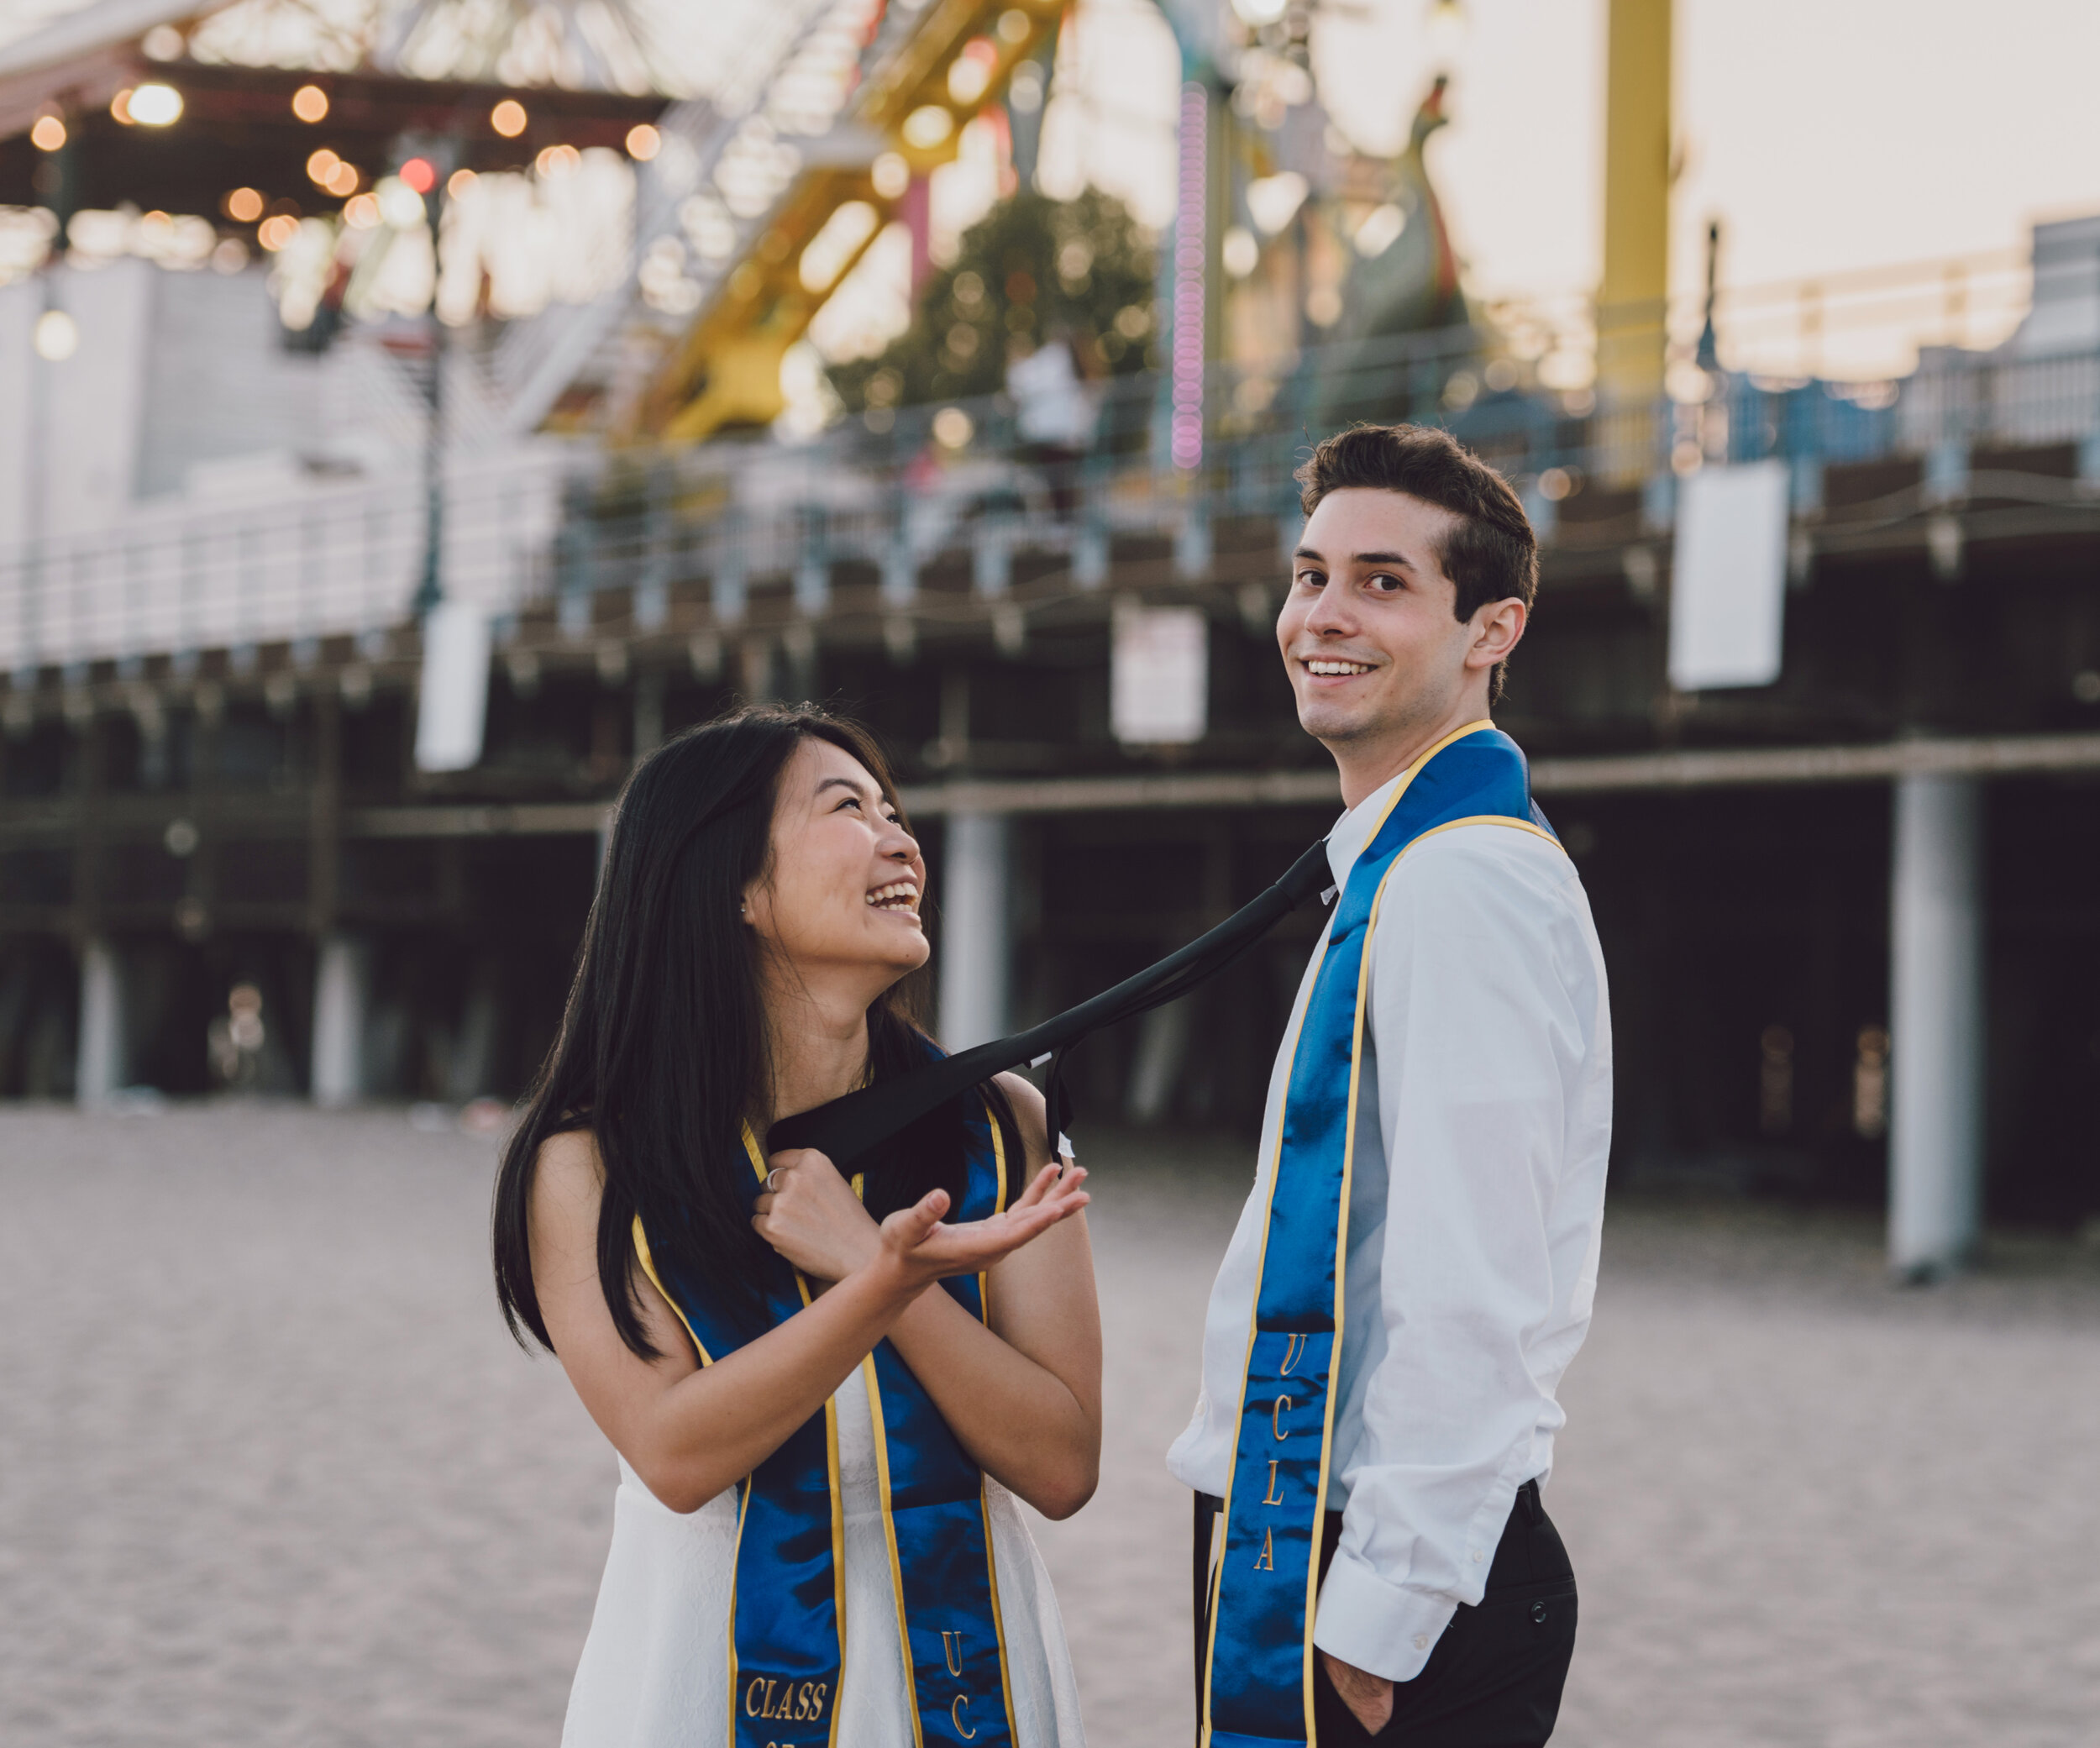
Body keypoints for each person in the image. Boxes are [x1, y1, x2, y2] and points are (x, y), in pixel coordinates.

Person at [493, 706, 1100, 1748]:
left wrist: (873, 1262)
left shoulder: (1003, 1123)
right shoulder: (593, 1161)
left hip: (969, 1665)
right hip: (702, 1660)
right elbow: (675, 1453)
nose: (900, 838)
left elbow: (1063, 1463)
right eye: (847, 809)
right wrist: (879, 1289)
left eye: (895, 812)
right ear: (733, 882)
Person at [1169, 424, 1612, 1746]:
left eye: (1381, 582)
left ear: (1495, 630)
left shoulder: (1464, 881)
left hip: (1376, 1563)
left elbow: (1478, 1279)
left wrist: (1383, 1607)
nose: (1324, 616)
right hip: (1301, 1523)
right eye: (1311, 577)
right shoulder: (1405, 865)